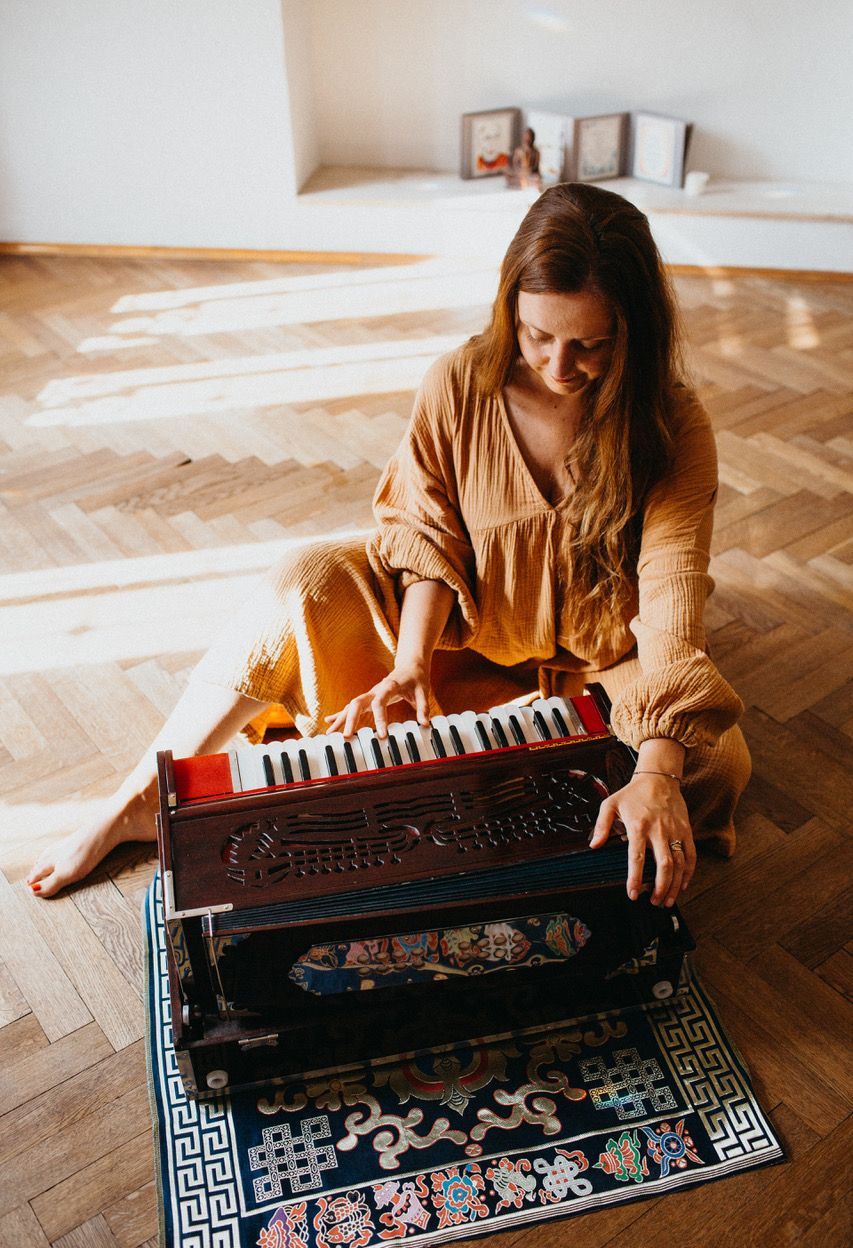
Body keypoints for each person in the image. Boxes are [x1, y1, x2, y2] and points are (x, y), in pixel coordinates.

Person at [28, 183, 749, 905]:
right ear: (510, 309)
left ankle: (489, 786)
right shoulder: (458, 382)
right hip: (459, 636)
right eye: (538, 336)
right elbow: (426, 536)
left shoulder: (673, 426)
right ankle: (138, 800)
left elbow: (671, 596)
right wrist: (410, 664)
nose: (559, 366)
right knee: (302, 580)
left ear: (635, 331)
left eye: (590, 345)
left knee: (709, 763)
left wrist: (658, 771)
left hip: (605, 660)